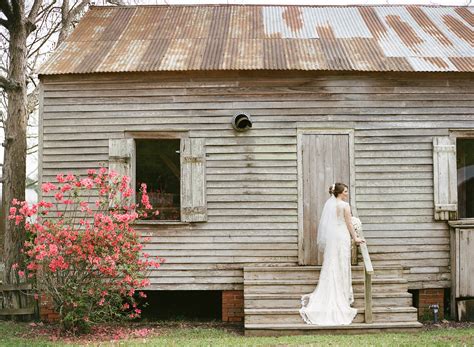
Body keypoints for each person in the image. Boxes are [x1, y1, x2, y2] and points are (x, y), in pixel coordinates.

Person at [299, 182, 365, 325]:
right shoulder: (345, 206)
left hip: (333, 237)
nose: (347, 194)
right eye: (346, 191)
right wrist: (356, 238)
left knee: (332, 262)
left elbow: (329, 223)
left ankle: (335, 292)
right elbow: (348, 224)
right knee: (341, 263)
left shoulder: (330, 205)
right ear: (340, 193)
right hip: (341, 236)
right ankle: (341, 295)